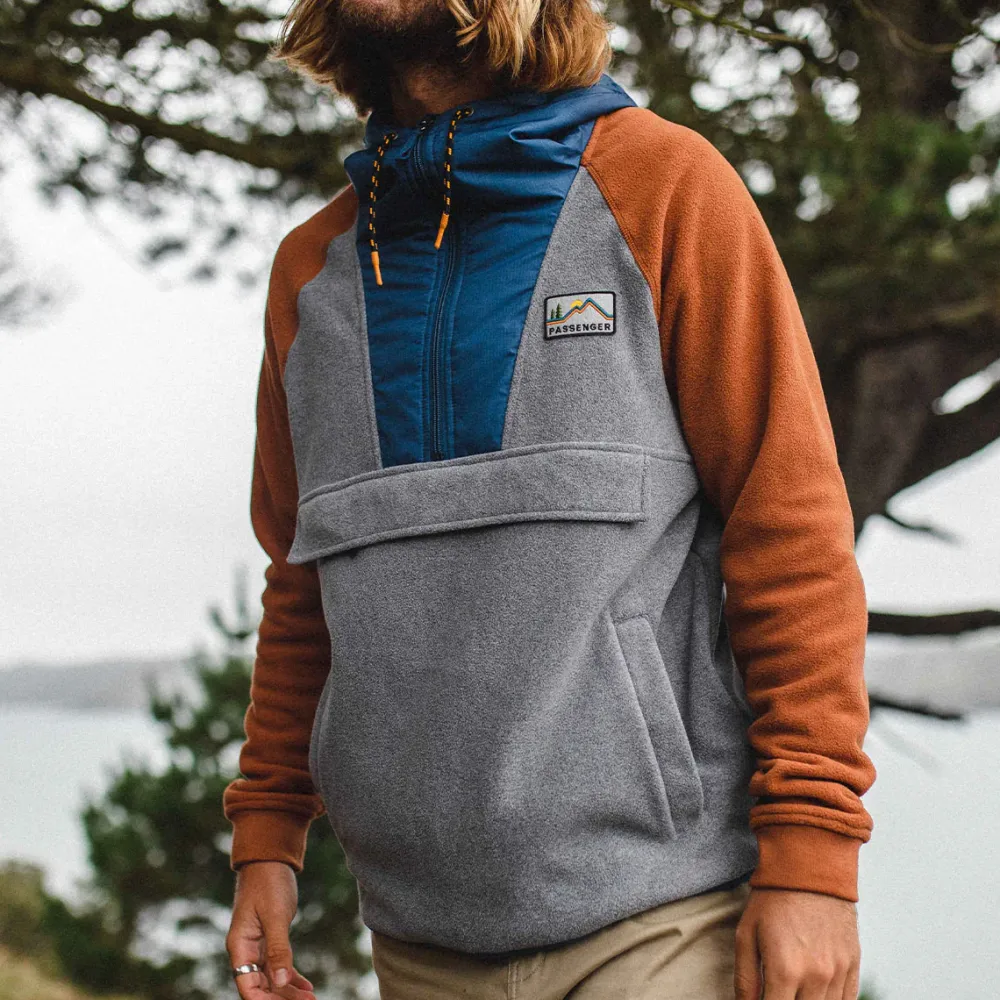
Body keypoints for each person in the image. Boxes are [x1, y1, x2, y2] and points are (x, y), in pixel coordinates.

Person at [222, 1, 877, 997]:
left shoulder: (665, 187)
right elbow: (305, 580)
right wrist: (268, 835)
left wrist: (814, 859)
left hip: (661, 925)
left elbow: (788, 530)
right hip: (414, 942)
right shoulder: (309, 275)